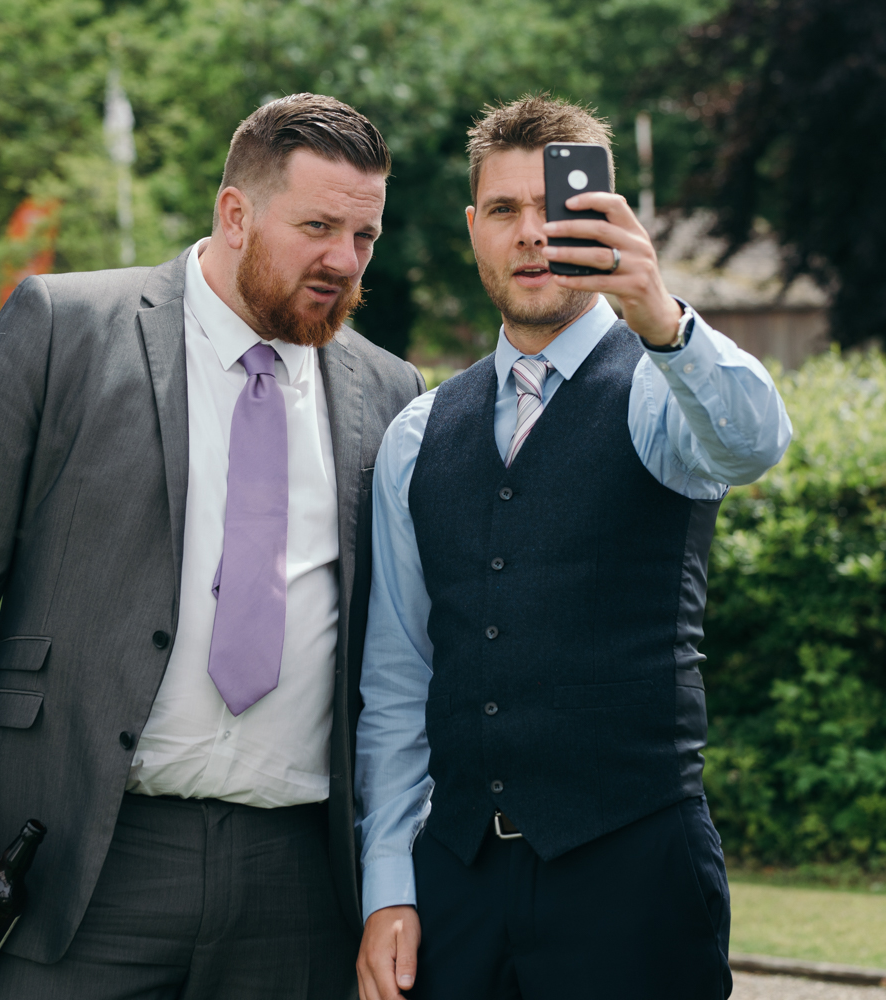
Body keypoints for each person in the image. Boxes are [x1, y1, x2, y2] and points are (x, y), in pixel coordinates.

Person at [0, 93, 426, 999]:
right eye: (318, 226)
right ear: (235, 213)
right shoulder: (65, 327)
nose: (344, 260)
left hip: (299, 883)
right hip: (81, 860)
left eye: (364, 237)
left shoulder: (392, 390)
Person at [353, 95, 792, 1000]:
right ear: (475, 229)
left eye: (557, 206)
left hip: (634, 873)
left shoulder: (661, 389)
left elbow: (752, 442)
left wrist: (659, 312)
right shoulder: (418, 431)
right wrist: (389, 884)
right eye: (506, 210)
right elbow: (398, 681)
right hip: (457, 881)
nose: (532, 232)